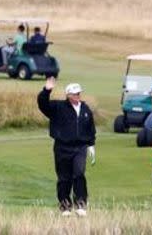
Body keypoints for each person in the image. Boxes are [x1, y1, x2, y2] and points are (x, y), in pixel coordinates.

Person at [37, 77, 96, 217]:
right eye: (75, 94)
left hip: (80, 147)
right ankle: (65, 206)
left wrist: (91, 144)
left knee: (79, 173)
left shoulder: (86, 109)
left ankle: (81, 204)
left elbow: (90, 128)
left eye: (79, 93)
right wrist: (46, 90)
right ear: (68, 95)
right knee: (64, 178)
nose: (78, 96)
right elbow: (42, 104)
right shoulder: (58, 107)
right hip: (62, 147)